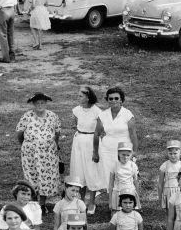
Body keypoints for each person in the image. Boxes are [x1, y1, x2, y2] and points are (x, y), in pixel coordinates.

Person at [16, 92, 62, 211]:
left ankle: (42, 204)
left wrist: (55, 146)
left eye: (42, 102)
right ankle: (34, 203)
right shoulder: (27, 116)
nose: (40, 105)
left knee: (46, 178)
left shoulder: (53, 116)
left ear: (46, 103)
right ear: (33, 104)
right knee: (32, 177)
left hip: (48, 153)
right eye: (37, 103)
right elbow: (19, 133)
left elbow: (57, 133)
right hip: (30, 153)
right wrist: (26, 145)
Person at [94, 86, 137, 204]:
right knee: (110, 178)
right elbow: (97, 134)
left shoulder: (128, 114)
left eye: (116, 98)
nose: (113, 101)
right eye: (110, 98)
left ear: (121, 100)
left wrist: (135, 151)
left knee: (125, 177)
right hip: (107, 151)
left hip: (124, 150)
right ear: (107, 100)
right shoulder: (103, 115)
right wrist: (95, 152)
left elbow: (133, 135)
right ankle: (112, 205)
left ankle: (128, 204)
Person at [70, 86, 106, 214]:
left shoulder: (98, 112)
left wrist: (95, 151)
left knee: (92, 172)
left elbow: (101, 131)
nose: (78, 97)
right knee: (79, 171)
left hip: (92, 142)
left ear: (88, 97)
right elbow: (76, 125)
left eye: (80, 95)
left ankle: (91, 202)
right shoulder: (76, 110)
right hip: (79, 142)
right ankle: (80, 202)